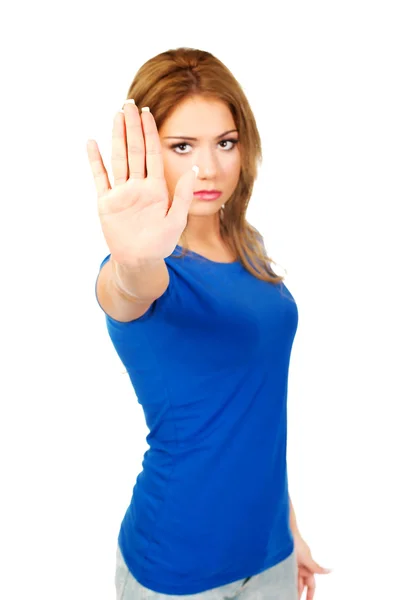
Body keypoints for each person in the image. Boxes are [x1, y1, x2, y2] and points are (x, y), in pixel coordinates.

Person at [87, 47, 331, 600]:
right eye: (181, 147)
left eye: (225, 142)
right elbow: (125, 291)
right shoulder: (147, 272)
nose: (211, 168)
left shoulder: (248, 246)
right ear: (148, 154)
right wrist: (134, 260)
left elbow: (258, 409)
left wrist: (289, 529)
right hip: (177, 569)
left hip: (269, 552)